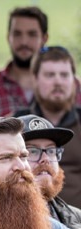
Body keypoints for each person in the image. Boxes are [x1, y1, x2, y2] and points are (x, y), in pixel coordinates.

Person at [0, 6, 81, 116]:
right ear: (8, 37)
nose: (24, 42)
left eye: (32, 34)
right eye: (17, 34)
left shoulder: (72, 86)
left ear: (44, 38)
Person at [14, 46, 81, 207]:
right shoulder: (14, 124)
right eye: (50, 75)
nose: (58, 81)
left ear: (74, 81)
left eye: (64, 75)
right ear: (35, 79)